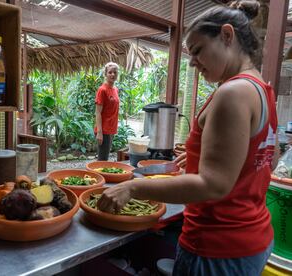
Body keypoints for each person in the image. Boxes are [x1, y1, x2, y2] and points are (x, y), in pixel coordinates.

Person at [97, 1, 278, 275]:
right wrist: (204, 154)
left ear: (227, 36)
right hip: (253, 237)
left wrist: (133, 188)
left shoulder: (232, 93)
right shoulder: (262, 88)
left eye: (197, 51)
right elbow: (268, 160)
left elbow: (213, 185)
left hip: (216, 246)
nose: (192, 62)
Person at [95, 62, 120, 161]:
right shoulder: (102, 90)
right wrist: (99, 132)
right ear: (105, 74)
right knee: (102, 160)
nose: (113, 74)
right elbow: (97, 112)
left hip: (111, 129)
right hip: (104, 130)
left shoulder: (115, 89)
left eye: (115, 72)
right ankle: (97, 176)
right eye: (110, 72)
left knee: (104, 158)